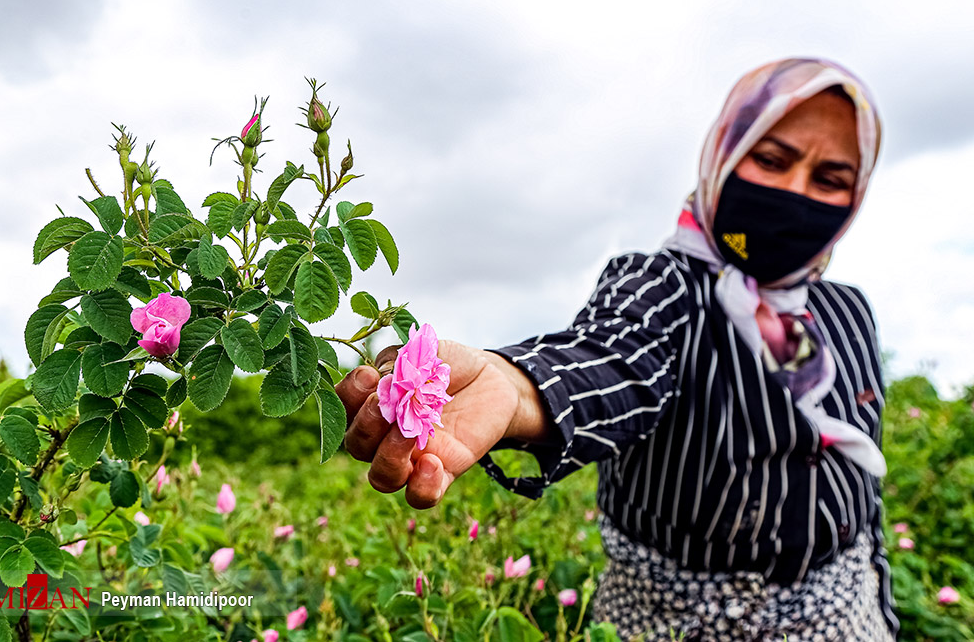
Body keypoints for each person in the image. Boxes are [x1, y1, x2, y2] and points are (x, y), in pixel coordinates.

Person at [335, 57, 899, 641]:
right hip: (671, 624)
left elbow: (861, 498)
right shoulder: (664, 288)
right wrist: (515, 385)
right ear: (725, 155)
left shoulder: (847, 313)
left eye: (829, 179)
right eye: (772, 160)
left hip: (848, 617)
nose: (794, 191)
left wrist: (882, 611)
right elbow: (606, 360)